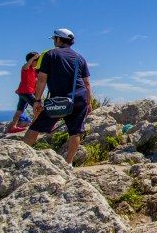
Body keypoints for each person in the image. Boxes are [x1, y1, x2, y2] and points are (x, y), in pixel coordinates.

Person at [23, 28, 93, 165]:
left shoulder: (51, 55)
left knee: (36, 127)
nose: (54, 41)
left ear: (58, 39)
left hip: (58, 100)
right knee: (75, 131)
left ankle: (21, 157)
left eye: (54, 39)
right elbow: (87, 83)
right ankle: (69, 163)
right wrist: (88, 103)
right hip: (79, 98)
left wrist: (37, 100)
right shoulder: (80, 58)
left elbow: (42, 79)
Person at [7, 51, 40, 133]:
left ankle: (13, 127)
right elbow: (26, 66)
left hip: (24, 92)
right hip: (26, 92)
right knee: (37, 107)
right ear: (32, 61)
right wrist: (33, 58)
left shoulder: (33, 70)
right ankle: (37, 125)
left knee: (20, 110)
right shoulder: (26, 68)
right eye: (37, 61)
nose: (37, 63)